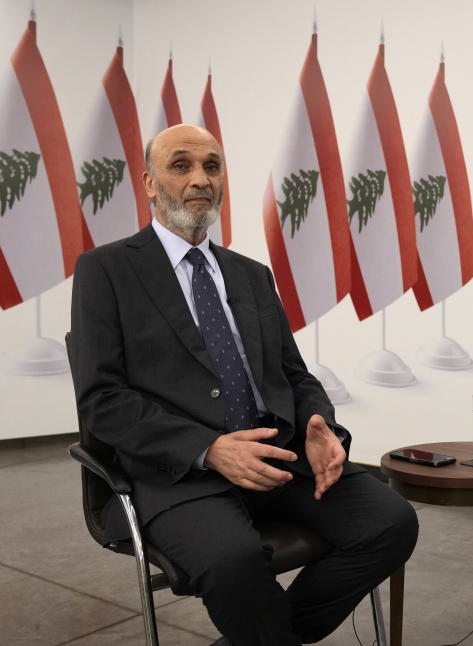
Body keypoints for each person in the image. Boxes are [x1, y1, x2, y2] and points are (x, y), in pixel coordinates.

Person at [70, 124, 418, 645]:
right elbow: (103, 401)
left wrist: (320, 423)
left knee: (392, 522)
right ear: (148, 182)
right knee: (236, 565)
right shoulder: (106, 271)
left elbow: (293, 374)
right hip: (183, 477)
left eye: (212, 166)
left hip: (280, 460)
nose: (200, 179)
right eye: (181, 165)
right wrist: (208, 450)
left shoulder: (251, 274)